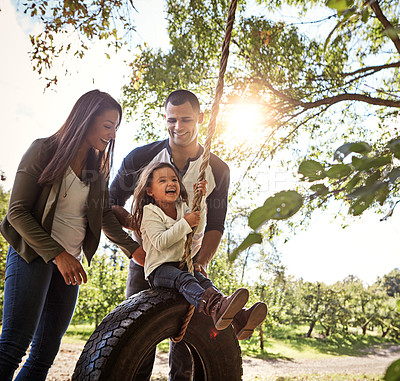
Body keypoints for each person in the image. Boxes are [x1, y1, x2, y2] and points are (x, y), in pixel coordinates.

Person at [110, 89, 267, 380]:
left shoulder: (217, 169)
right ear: (165, 119)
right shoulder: (141, 158)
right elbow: (111, 204)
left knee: (184, 342)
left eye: (186, 119)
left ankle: (237, 319)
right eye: (171, 120)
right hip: (148, 260)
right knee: (137, 336)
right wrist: (137, 231)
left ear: (201, 118)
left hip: (189, 260)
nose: (178, 127)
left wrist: (202, 260)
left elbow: (216, 224)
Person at [0, 89, 141, 381]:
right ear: (86, 119)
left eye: (116, 127)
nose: (112, 134)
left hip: (70, 266)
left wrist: (133, 249)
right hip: (33, 256)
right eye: (107, 125)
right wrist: (58, 255)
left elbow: (103, 216)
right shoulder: (43, 150)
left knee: (43, 357)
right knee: (13, 346)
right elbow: (17, 212)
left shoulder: (96, 171)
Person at [131, 161, 263, 332]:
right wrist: (185, 223)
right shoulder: (150, 212)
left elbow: (197, 229)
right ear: (150, 190)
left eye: (174, 180)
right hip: (159, 270)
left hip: (181, 265)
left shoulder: (181, 207)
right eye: (162, 181)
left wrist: (200, 199)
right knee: (185, 279)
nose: (170, 183)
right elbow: (160, 242)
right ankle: (215, 307)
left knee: (203, 280)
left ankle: (239, 319)